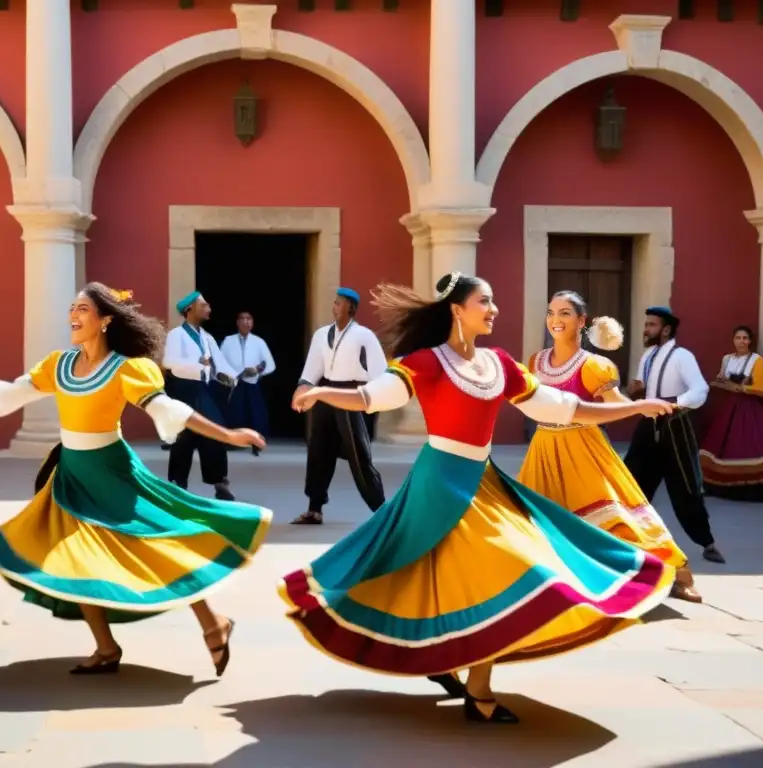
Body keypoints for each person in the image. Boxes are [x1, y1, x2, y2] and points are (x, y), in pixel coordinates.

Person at [282, 273, 676, 724]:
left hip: (484, 480)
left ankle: (466, 674)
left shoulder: (500, 364)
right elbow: (373, 397)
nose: (494, 310)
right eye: (484, 301)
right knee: (488, 565)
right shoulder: (427, 362)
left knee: (489, 572)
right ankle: (478, 688)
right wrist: (319, 392)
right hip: (439, 483)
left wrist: (633, 407)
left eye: (493, 301)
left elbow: (563, 408)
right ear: (457, 309)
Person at [0, 284, 270, 676]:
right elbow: (1, 397)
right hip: (71, 476)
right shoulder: (57, 365)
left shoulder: (126, 369)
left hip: (113, 473)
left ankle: (212, 622)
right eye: (72, 307)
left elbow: (173, 412)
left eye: (83, 309)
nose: (73, 315)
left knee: (153, 543)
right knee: (76, 558)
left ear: (104, 321)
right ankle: (105, 646)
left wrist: (230, 434)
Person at [519, 291, 700, 603]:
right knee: (534, 520)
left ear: (581, 320)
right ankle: (561, 583)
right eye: (551, 312)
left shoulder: (595, 366)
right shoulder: (536, 361)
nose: (555, 320)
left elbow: (616, 405)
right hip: (543, 448)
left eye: (564, 313)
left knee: (619, 519)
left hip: (584, 450)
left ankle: (674, 574)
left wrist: (641, 406)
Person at [625, 307, 726, 564]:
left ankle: (707, 542)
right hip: (648, 425)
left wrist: (673, 403)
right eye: (646, 324)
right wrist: (636, 392)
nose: (646, 329)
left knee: (686, 486)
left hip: (675, 427)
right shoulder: (647, 356)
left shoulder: (683, 356)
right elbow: (642, 391)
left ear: (666, 329)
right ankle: (626, 538)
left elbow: (700, 390)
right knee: (631, 480)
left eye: (651, 325)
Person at [290, 287, 387, 524]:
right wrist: (302, 388)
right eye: (334, 302)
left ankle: (383, 511)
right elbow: (313, 367)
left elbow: (380, 371)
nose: (334, 307)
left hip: (352, 394)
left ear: (351, 308)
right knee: (318, 450)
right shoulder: (322, 334)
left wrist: (372, 398)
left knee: (358, 454)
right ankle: (314, 508)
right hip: (326, 393)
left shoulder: (364, 335)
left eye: (339, 303)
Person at [162, 291, 240, 500]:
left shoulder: (207, 338)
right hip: (182, 390)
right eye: (204, 305)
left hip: (202, 391)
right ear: (189, 310)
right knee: (183, 437)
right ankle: (178, 484)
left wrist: (231, 376)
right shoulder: (176, 335)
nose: (208, 309)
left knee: (213, 430)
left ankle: (219, 481)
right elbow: (170, 363)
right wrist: (198, 364)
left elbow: (219, 363)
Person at [699, 324, 763, 500]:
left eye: (745, 338)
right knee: (722, 444)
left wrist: (739, 388)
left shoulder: (756, 360)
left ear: (750, 341)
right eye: (738, 338)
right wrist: (721, 384)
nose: (742, 341)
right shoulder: (727, 359)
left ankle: (759, 489)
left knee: (753, 444)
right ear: (733, 340)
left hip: (749, 408)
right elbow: (720, 379)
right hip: (729, 406)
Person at [220, 310, 276, 455]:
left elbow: (269, 364)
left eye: (249, 319)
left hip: (253, 383)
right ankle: (234, 441)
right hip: (234, 382)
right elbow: (220, 361)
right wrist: (233, 375)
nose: (245, 322)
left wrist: (258, 371)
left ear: (252, 323)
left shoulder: (259, 342)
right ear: (237, 322)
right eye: (242, 319)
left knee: (256, 412)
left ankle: (258, 441)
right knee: (234, 411)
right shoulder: (228, 340)